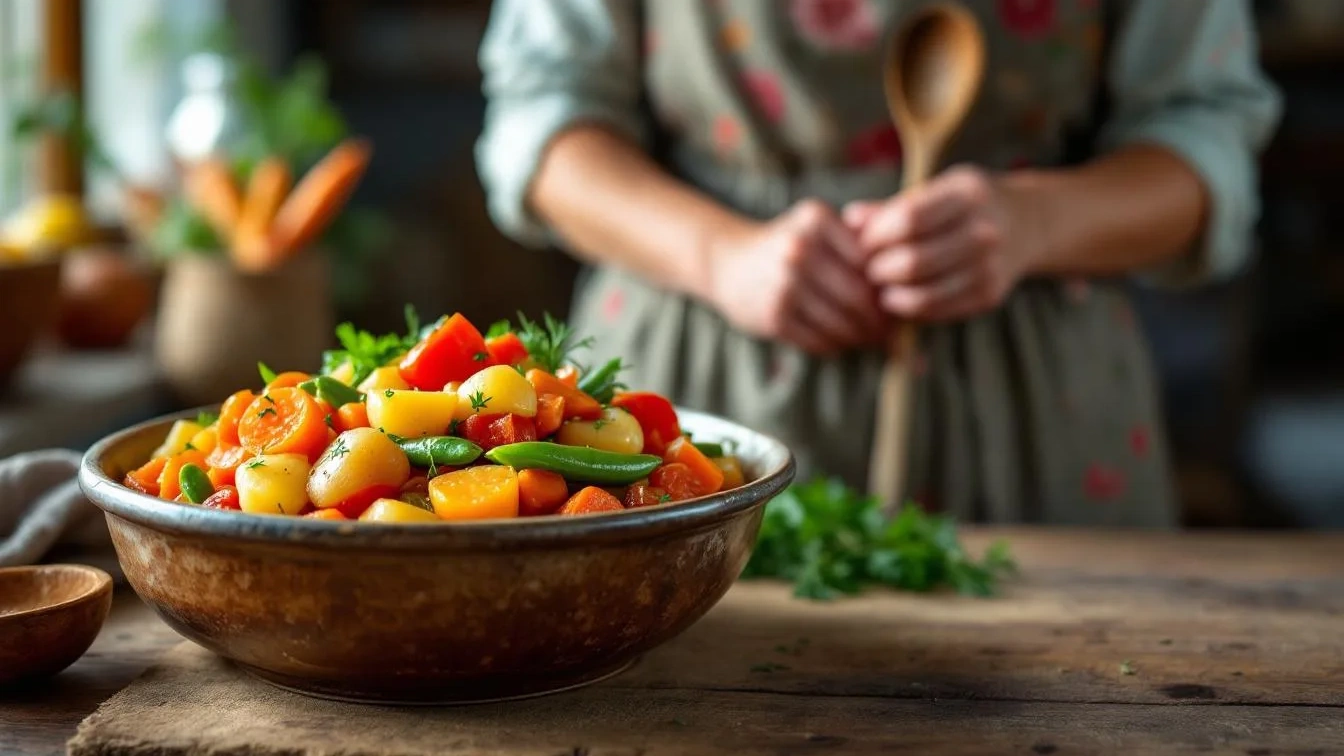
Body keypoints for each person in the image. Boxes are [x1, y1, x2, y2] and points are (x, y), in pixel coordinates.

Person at [475, 0, 1280, 526]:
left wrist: (1034, 219)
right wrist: (724, 257)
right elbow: (543, 122)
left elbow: (1203, 138)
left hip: (1037, 414)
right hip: (690, 398)